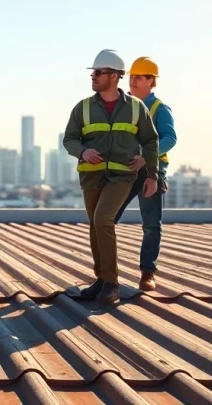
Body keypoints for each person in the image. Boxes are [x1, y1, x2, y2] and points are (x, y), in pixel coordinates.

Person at [63, 49, 160, 304]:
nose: (93, 76)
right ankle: (102, 279)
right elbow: (69, 139)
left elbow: (151, 140)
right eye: (93, 72)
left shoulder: (136, 108)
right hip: (91, 177)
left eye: (98, 72)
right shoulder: (82, 108)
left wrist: (152, 174)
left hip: (122, 175)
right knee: (95, 226)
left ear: (115, 76)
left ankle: (112, 284)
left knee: (103, 219)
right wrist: (83, 151)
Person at [114, 56, 177, 292]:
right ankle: (107, 272)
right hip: (125, 172)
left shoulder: (160, 109)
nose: (133, 81)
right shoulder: (125, 107)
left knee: (151, 225)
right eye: (131, 77)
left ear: (151, 81)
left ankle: (147, 273)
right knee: (107, 219)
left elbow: (170, 138)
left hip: (150, 172)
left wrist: (146, 156)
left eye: (139, 77)